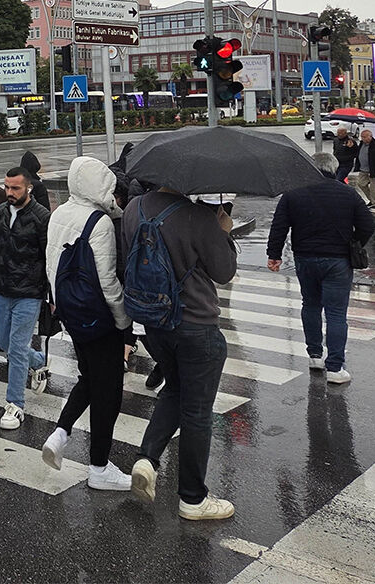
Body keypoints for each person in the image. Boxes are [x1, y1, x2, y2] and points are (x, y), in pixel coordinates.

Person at [124, 183, 238, 520]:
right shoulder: (199, 216)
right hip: (195, 324)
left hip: (153, 322)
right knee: (198, 413)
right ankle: (193, 498)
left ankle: (147, 458)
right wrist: (223, 232)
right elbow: (224, 271)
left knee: (174, 389)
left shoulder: (135, 209)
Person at [39, 157, 133, 491]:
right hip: (100, 320)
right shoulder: (100, 223)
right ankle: (99, 467)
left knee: (90, 379)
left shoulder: (58, 214)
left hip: (72, 315)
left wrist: (59, 306)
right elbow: (107, 281)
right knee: (109, 393)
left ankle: (60, 434)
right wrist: (124, 323)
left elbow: (51, 265)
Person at [267, 152, 374, 385]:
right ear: (334, 169)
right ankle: (335, 368)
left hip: (305, 258)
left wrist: (273, 255)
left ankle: (315, 356)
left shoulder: (293, 193)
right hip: (338, 260)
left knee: (311, 305)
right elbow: (367, 225)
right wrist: (354, 242)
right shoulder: (348, 193)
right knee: (336, 313)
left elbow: (279, 226)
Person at [0, 167, 51, 430]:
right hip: (3, 290)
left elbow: (50, 258)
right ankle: (38, 362)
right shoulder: (1, 214)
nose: (9, 193)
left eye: (15, 188)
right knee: (4, 344)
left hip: (29, 292)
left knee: (17, 348)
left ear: (28, 188)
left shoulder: (41, 217)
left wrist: (52, 294)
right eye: (6, 187)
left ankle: (15, 405)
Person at [350, 128, 375, 209]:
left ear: (370, 136)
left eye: (365, 137)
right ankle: (372, 200)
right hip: (363, 169)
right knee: (361, 184)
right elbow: (357, 153)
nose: (363, 139)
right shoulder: (361, 144)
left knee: (374, 187)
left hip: (374, 170)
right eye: (362, 137)